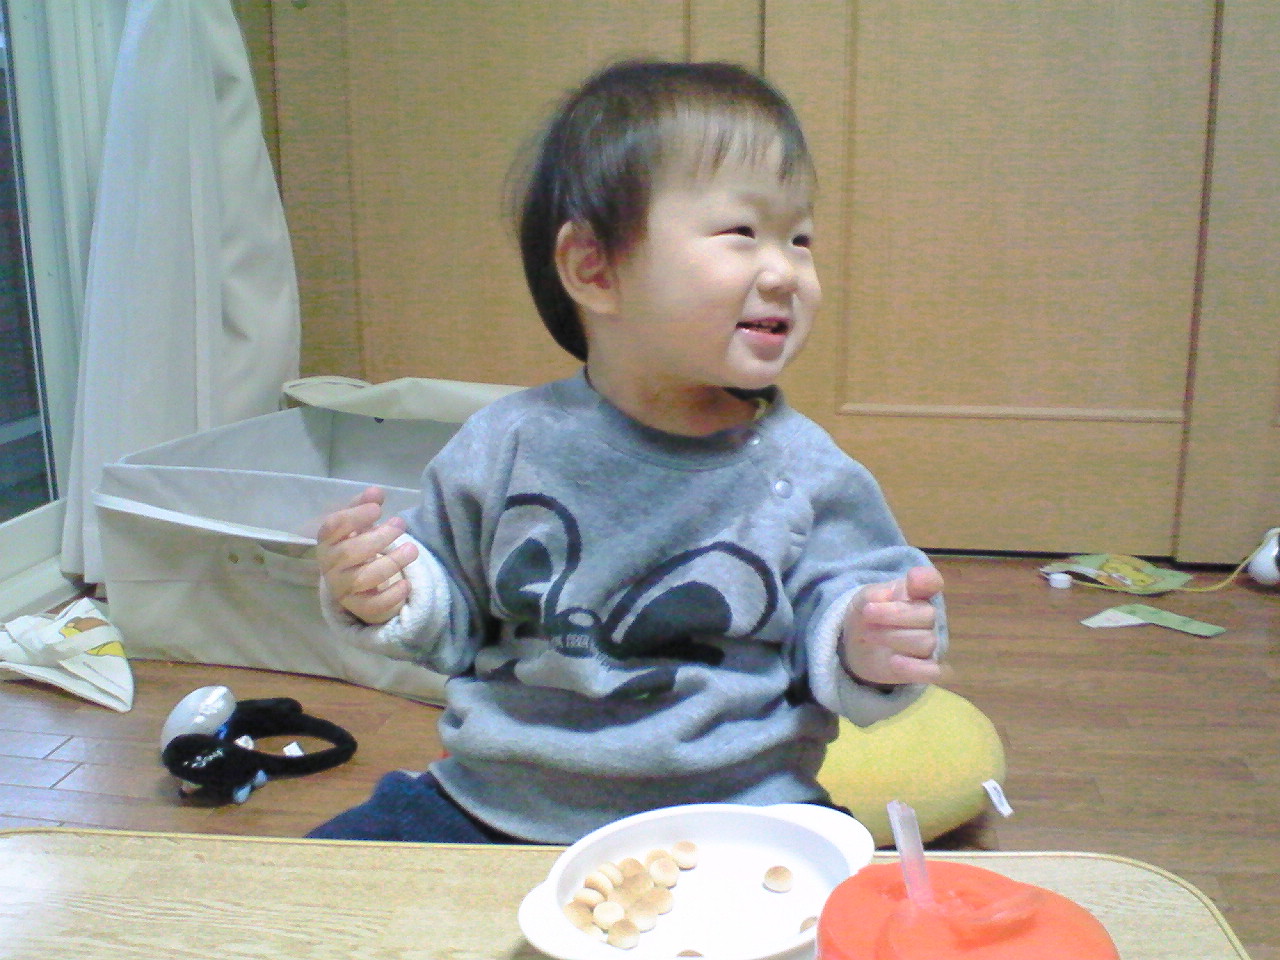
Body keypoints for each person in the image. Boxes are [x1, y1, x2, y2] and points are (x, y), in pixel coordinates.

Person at [309, 59, 946, 845]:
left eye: (800, 238)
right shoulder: (505, 444)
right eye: (743, 232)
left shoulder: (806, 470)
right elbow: (450, 611)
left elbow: (853, 600)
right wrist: (385, 588)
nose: (785, 271)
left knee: (853, 896)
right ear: (594, 268)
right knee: (311, 884)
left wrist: (867, 640)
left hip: (741, 812)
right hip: (497, 804)